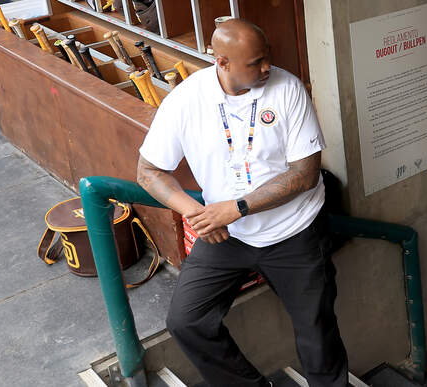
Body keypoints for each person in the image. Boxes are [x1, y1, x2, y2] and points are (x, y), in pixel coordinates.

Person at [137, 19, 348, 387]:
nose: (267, 67)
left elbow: (305, 174)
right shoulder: (185, 101)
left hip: (293, 231)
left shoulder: (287, 89)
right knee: (186, 321)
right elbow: (148, 171)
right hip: (225, 235)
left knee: (317, 335)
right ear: (222, 62)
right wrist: (197, 214)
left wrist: (234, 209)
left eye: (267, 57)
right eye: (255, 62)